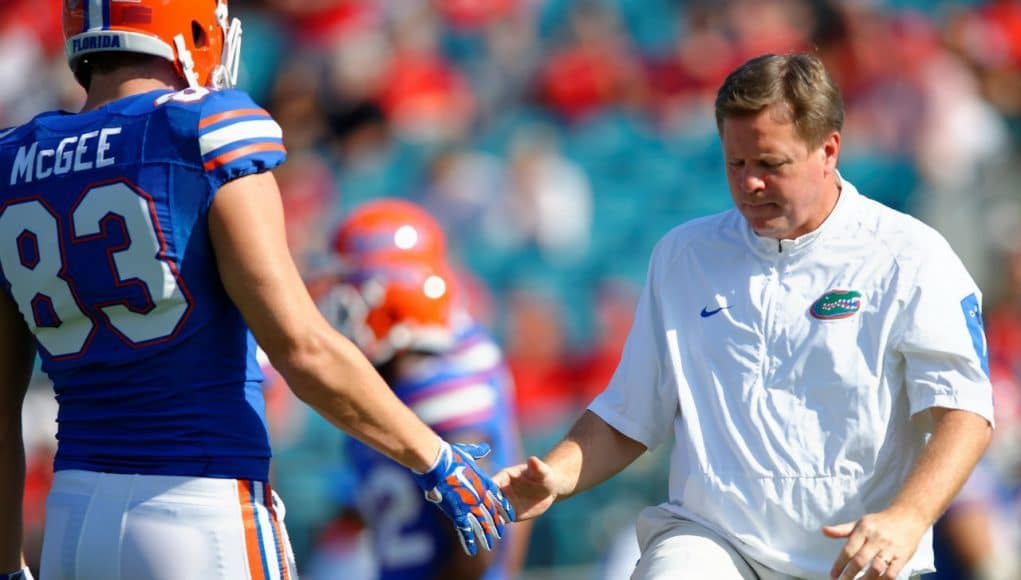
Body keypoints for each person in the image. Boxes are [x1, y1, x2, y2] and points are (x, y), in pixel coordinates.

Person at [0, 2, 511, 579]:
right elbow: (302, 347)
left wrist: (7, 562)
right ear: (190, 24)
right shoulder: (201, 131)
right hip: (199, 506)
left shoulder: (12, 159)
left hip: (72, 520)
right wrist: (435, 458)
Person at [494, 52, 995, 580]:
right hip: (714, 542)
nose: (751, 184)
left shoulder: (911, 255)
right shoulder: (683, 256)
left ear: (828, 150)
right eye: (737, 164)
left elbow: (965, 411)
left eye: (771, 164)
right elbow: (629, 415)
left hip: (858, 556)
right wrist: (557, 472)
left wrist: (908, 517)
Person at [315, 199, 529, 579]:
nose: (334, 302)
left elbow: (479, 538)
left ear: (391, 293)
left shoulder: (441, 379)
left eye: (347, 285)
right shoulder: (401, 372)